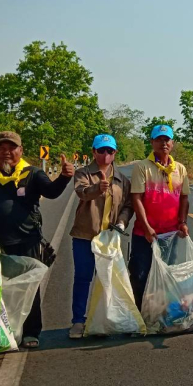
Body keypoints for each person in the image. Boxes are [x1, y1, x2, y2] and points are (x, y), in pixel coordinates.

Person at [0, 131, 74, 349]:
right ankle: (2, 331)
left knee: (30, 289)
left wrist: (65, 177)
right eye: (1, 148)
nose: (6, 152)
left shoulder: (33, 174)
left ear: (20, 150)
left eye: (12, 148)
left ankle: (30, 332)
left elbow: (52, 192)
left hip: (27, 242)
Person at [68, 134, 133, 339]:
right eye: (102, 151)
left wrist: (122, 220)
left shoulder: (122, 179)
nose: (106, 155)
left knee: (106, 279)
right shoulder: (83, 173)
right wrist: (98, 188)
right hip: (85, 235)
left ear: (115, 154)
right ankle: (78, 321)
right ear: (94, 151)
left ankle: (101, 320)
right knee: (83, 278)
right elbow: (82, 192)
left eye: (110, 151)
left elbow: (128, 205)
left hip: (109, 237)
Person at [129, 124, 190, 310]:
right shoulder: (142, 167)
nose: (163, 143)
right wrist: (146, 227)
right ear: (152, 142)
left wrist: (182, 222)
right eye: (159, 139)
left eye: (167, 139)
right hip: (144, 233)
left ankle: (160, 314)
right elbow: (136, 198)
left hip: (170, 235)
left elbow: (184, 198)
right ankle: (140, 316)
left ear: (172, 143)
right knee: (140, 275)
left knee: (165, 276)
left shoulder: (180, 169)